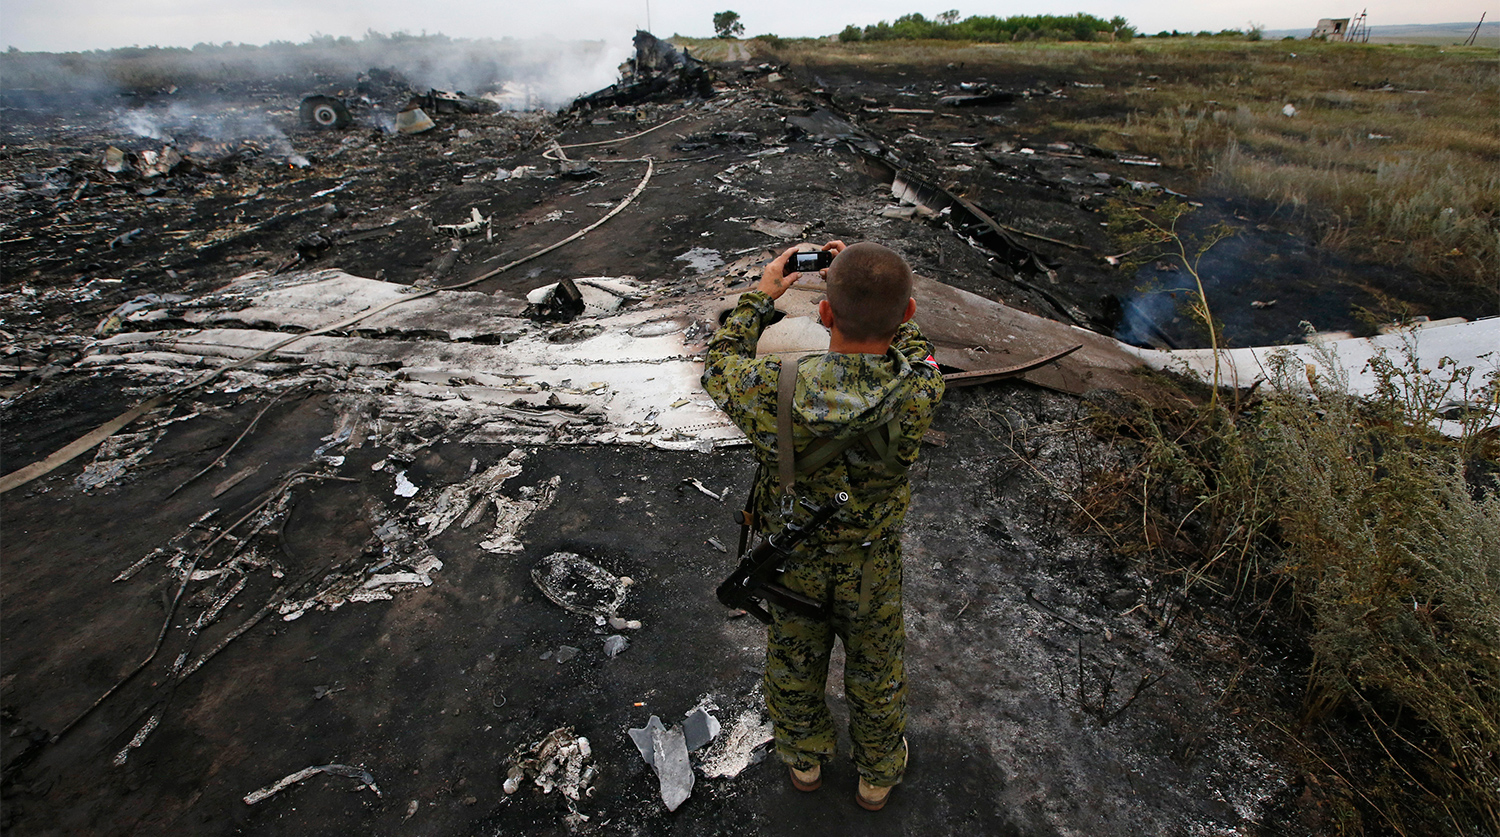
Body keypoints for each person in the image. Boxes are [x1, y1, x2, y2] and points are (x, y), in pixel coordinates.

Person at [701, 240, 945, 811]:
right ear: (907, 314)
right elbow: (920, 348)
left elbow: (719, 360)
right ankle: (877, 777)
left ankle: (804, 762)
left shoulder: (770, 388)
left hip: (792, 562)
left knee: (792, 662)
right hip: (871, 565)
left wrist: (763, 294)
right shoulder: (921, 389)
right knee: (877, 670)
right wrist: (879, 294)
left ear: (824, 313)